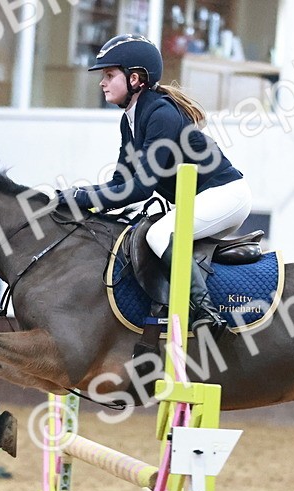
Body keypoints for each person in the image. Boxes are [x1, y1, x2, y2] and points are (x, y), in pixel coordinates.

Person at [56, 34, 251, 345]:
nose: (102, 83)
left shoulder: (160, 114)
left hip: (225, 196)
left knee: (159, 235)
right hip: (199, 198)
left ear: (135, 79)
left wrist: (84, 198)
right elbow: (121, 182)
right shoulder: (129, 120)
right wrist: (78, 198)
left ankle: (205, 313)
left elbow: (141, 188)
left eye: (109, 75)